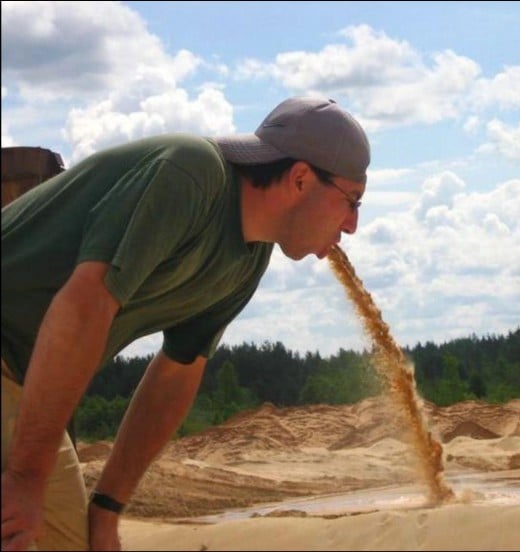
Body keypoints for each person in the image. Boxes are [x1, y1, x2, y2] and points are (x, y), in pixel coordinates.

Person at [1, 96, 370, 551]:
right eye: (352, 200)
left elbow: (176, 374)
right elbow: (84, 305)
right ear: (299, 178)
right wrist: (24, 477)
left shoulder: (248, 259)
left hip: (21, 378)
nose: (352, 225)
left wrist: (106, 509)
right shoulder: (191, 176)